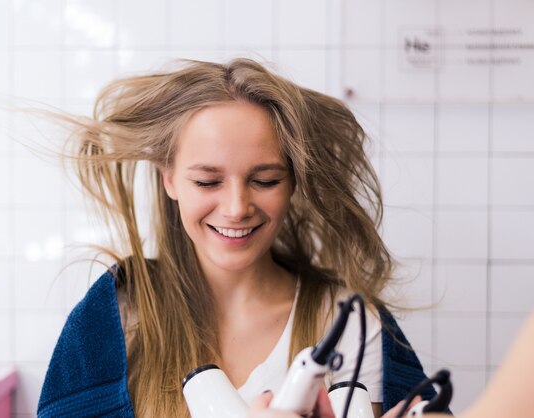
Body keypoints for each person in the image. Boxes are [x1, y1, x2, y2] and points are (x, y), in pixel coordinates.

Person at [36, 58, 436, 418]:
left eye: (265, 180)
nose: (236, 207)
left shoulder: (346, 322)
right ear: (170, 177)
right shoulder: (119, 318)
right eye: (208, 181)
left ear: (293, 182)